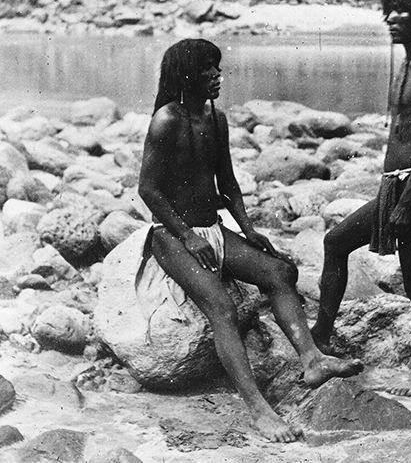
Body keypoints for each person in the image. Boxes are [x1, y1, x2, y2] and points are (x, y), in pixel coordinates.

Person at [138, 38, 363, 443]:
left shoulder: (215, 118)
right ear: (188, 74)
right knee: (221, 307)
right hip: (170, 235)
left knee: (279, 272)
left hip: (214, 226)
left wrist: (248, 230)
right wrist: (187, 236)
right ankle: (259, 409)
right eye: (211, 69)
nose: (219, 76)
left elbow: (228, 182)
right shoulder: (166, 121)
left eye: (219, 69)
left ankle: (312, 359)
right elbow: (149, 190)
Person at [311, 0, 411, 397]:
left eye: (401, 13)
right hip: (396, 185)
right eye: (388, 11)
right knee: (335, 242)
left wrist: (406, 203)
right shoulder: (408, 63)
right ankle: (321, 334)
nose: (390, 19)